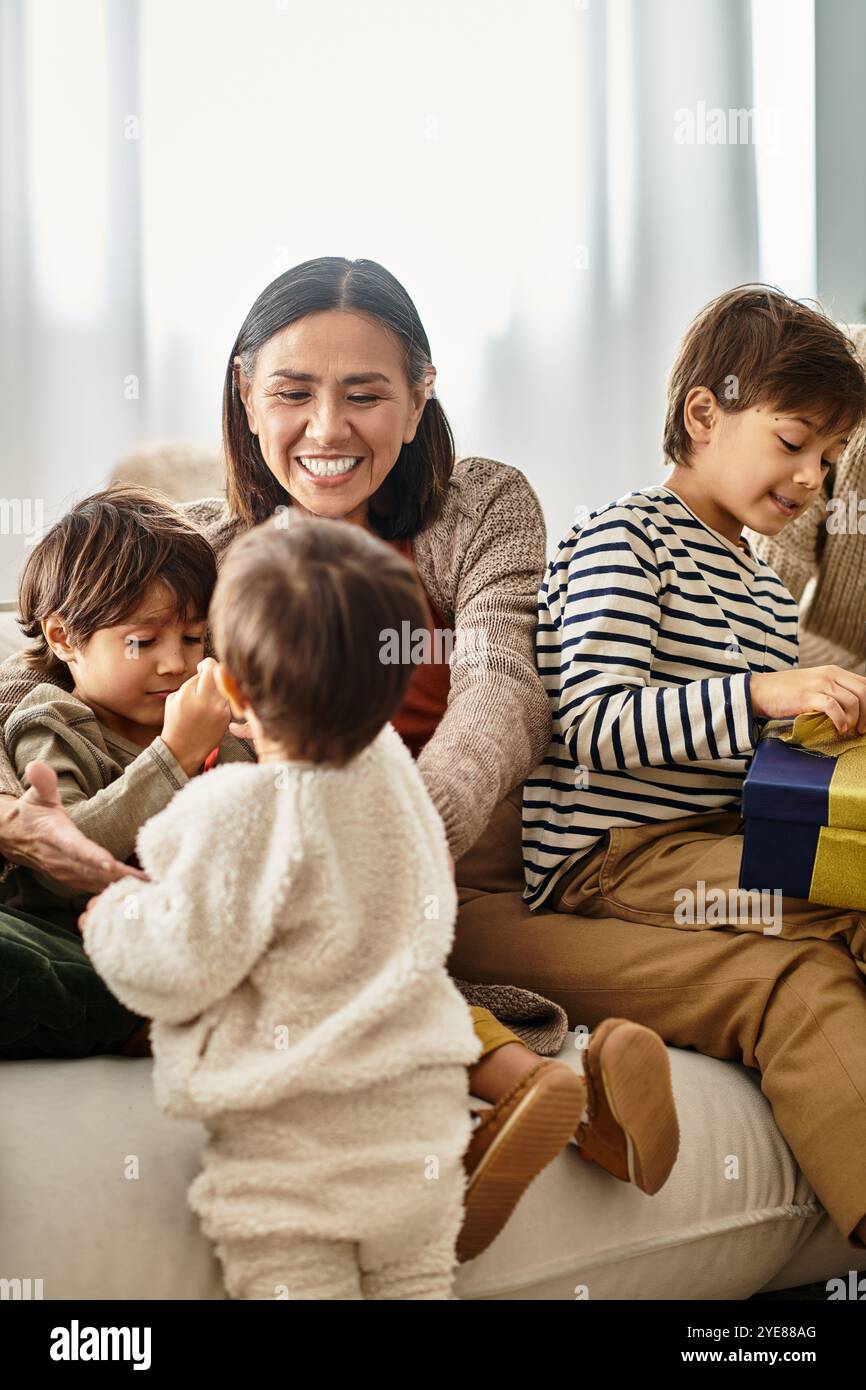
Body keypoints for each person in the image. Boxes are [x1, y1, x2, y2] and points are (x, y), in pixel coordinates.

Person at [0, 256, 680, 1254]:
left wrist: (388, 834)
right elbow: (42, 661)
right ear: (244, 392)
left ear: (418, 397)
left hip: (427, 858)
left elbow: (504, 686)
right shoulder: (202, 546)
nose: (325, 430)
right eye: (292, 392)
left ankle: (500, 1114)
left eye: (362, 393)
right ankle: (527, 1101)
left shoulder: (478, 505)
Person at [518, 283, 866, 1249]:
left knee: (819, 965)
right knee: (845, 894)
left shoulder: (760, 582)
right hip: (615, 856)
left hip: (710, 848)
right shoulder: (626, 537)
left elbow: (744, 751)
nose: (811, 478)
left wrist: (821, 729)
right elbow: (593, 722)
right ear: (704, 414)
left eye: (830, 460)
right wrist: (766, 693)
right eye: (794, 442)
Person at [80, 516, 496, 1299]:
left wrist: (110, 920)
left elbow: (180, 964)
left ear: (231, 688)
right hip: (423, 1138)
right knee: (417, 1285)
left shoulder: (233, 809)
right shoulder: (396, 777)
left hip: (297, 1166)